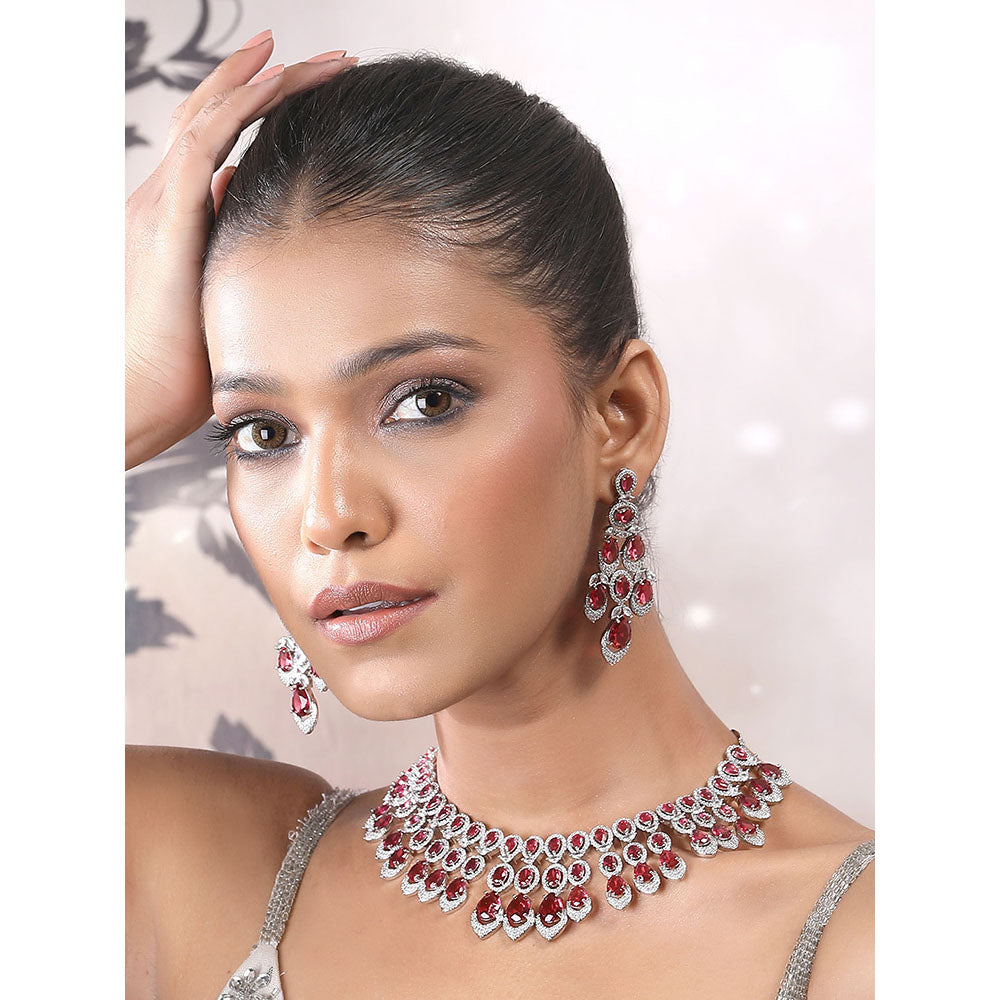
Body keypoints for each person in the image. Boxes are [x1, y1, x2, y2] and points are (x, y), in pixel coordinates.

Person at [125, 30, 874, 1000]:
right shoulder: (190, 875)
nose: (330, 514)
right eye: (264, 432)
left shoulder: (867, 943)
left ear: (620, 416)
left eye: (424, 401)